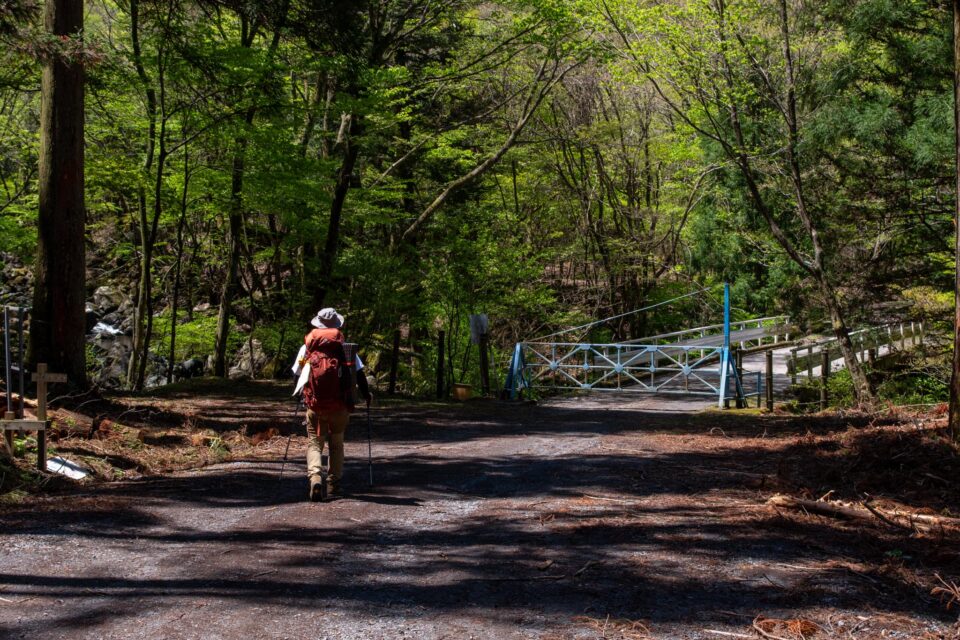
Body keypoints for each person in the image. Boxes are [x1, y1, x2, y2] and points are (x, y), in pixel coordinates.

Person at [291, 307, 372, 501]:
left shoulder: (308, 347)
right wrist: (366, 394)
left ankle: (316, 478)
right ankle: (334, 484)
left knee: (314, 443)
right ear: (337, 325)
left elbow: (297, 374)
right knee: (336, 444)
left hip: (315, 405)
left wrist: (300, 395)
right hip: (340, 406)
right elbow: (359, 375)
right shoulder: (345, 348)